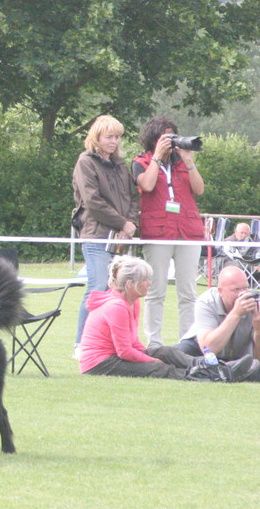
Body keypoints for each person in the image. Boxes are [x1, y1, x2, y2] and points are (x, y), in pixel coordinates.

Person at [131, 116, 204, 349]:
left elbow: (199, 189)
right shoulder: (140, 162)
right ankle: (154, 343)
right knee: (155, 291)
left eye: (173, 136)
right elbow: (147, 185)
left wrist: (189, 161)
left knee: (188, 293)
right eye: (165, 137)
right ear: (153, 139)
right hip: (158, 232)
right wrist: (157, 157)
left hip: (187, 231)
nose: (170, 141)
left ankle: (189, 342)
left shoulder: (181, 162)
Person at [71, 115, 139, 356]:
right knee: (98, 287)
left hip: (120, 237)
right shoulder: (85, 162)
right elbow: (92, 201)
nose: (114, 141)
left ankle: (111, 343)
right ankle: (81, 344)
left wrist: (129, 224)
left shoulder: (120, 165)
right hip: (96, 235)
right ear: (97, 138)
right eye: (109, 136)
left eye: (117, 137)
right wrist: (123, 223)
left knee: (119, 291)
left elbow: (133, 198)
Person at [79, 256, 211, 379]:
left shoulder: (133, 302)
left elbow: (133, 342)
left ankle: (207, 365)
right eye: (145, 280)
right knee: (159, 369)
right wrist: (151, 360)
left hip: (115, 356)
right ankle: (204, 376)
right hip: (100, 363)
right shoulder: (116, 307)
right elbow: (124, 351)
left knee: (166, 352)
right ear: (130, 284)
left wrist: (149, 355)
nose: (149, 283)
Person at [174, 265, 260, 367]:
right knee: (170, 356)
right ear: (220, 291)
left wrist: (257, 328)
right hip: (200, 348)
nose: (242, 294)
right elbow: (208, 349)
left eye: (245, 288)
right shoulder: (207, 302)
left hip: (241, 355)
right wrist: (236, 314)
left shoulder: (255, 302)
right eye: (235, 289)